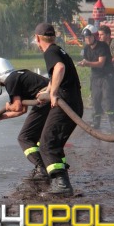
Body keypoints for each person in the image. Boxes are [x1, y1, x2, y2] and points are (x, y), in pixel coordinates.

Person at [33, 23, 84, 196]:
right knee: (54, 143)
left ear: (38, 38)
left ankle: (61, 185)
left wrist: (53, 93)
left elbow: (60, 68)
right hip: (74, 103)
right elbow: (59, 72)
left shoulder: (50, 52)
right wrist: (47, 90)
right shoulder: (59, 50)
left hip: (65, 104)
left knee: (46, 143)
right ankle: (59, 181)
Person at [0, 58, 50, 181]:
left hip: (46, 101)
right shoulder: (18, 76)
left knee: (24, 137)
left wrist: (7, 107)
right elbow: (22, 110)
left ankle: (41, 168)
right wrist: (2, 117)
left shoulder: (11, 80)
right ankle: (46, 167)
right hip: (48, 101)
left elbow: (16, 107)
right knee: (37, 137)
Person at [78, 24, 114, 130]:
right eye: (85, 38)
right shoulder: (86, 49)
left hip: (107, 76)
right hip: (95, 77)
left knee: (107, 99)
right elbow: (88, 61)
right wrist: (83, 62)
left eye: (89, 37)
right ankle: (96, 121)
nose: (87, 39)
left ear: (95, 36)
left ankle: (113, 120)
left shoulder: (103, 46)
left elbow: (101, 63)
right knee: (95, 99)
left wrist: (86, 63)